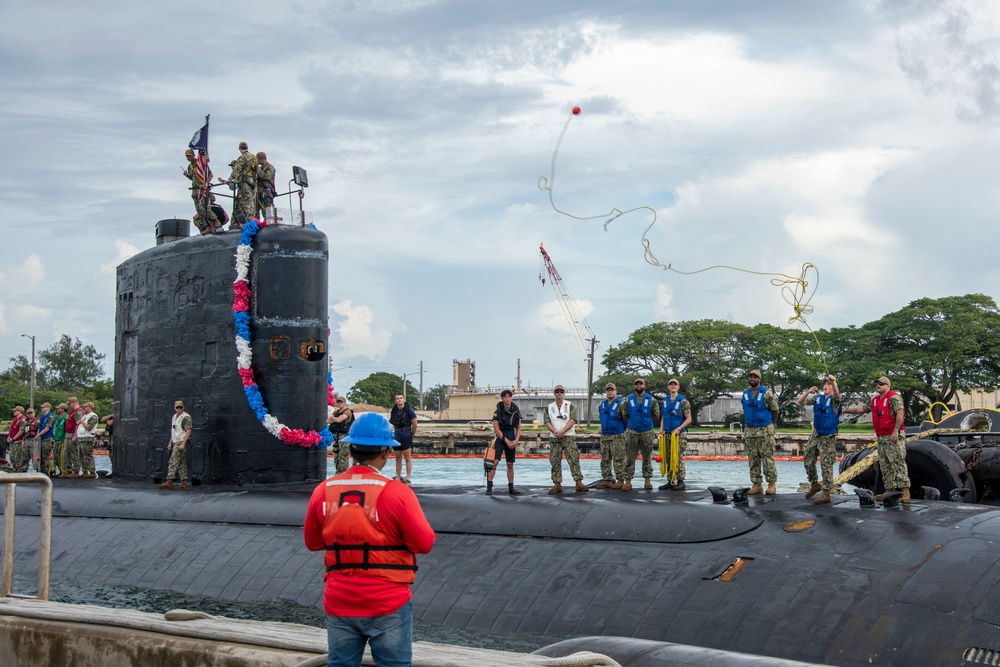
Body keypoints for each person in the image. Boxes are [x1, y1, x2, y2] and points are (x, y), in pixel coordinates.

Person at [302, 412, 436, 667]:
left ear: (350, 450)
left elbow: (313, 542)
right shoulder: (398, 493)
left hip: (339, 599)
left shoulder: (323, 490)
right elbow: (424, 543)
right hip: (387, 601)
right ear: (386, 453)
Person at [843, 375, 910, 503]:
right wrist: (846, 410)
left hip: (893, 435)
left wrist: (896, 431)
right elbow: (862, 409)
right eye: (877, 384)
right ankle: (889, 489)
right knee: (884, 464)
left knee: (898, 462)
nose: (878, 385)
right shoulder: (874, 400)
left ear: (888, 386)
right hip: (881, 437)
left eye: (881, 384)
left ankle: (905, 491)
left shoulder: (894, 397)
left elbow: (900, 414)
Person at [796, 374, 841, 504]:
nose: (826, 386)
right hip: (816, 434)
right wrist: (808, 392)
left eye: (828, 384)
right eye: (825, 384)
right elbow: (800, 402)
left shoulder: (834, 399)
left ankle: (826, 492)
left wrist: (834, 382)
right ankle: (814, 483)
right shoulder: (818, 398)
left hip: (828, 435)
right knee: (808, 458)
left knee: (826, 463)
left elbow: (837, 395)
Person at [618, 377, 661, 491]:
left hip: (647, 431)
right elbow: (624, 415)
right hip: (632, 431)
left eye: (641, 384)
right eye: (637, 384)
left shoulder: (651, 400)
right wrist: (631, 425)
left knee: (647, 457)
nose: (639, 386)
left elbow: (656, 415)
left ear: (644, 386)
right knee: (630, 458)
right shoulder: (628, 400)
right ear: (634, 386)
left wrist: (647, 424)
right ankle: (628, 481)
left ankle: (647, 481)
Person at [742, 369, 780, 495]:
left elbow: (775, 410)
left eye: (755, 377)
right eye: (750, 377)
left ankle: (771, 483)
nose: (752, 379)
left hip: (764, 430)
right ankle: (756, 484)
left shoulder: (766, 393)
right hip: (750, 431)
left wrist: (770, 424)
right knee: (753, 459)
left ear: (759, 379)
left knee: (767, 457)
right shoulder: (745, 394)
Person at [544, 385, 588, 494]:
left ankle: (578, 482)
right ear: (554, 393)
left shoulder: (570, 405)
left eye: (561, 391)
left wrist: (562, 431)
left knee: (573, 459)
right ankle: (557, 483)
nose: (559, 393)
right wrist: (555, 431)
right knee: (555, 461)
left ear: (564, 393)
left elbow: (573, 419)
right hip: (554, 437)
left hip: (568, 436)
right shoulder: (549, 407)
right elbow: (547, 421)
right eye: (557, 391)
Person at [486, 389, 522, 495]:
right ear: (502, 398)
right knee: (495, 462)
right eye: (505, 397)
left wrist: (516, 440)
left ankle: (511, 487)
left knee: (510, 464)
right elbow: (497, 429)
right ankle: (489, 485)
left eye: (509, 397)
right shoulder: (498, 412)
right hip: (501, 438)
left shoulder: (515, 410)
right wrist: (506, 441)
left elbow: (519, 427)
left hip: (511, 436)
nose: (507, 399)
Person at [659, 378, 691, 491]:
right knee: (668, 458)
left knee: (677, 457)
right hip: (667, 434)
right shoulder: (664, 401)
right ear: (668, 387)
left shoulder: (683, 401)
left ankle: (681, 480)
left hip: (678, 434)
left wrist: (679, 428)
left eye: (675, 385)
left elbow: (688, 419)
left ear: (678, 387)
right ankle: (670, 480)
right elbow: (664, 417)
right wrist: (661, 429)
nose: (673, 387)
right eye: (671, 385)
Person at [219, 142, 257, 226]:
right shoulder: (253, 157)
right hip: (252, 183)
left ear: (240, 149)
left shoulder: (242, 157)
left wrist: (229, 180)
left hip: (245, 184)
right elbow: (256, 171)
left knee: (247, 205)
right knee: (251, 204)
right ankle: (252, 221)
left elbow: (237, 171)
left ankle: (250, 224)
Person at [183, 148, 220, 234]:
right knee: (199, 210)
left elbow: (210, 174)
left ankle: (215, 220)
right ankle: (208, 226)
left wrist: (206, 184)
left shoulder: (201, 164)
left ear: (193, 155)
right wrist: (187, 175)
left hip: (202, 189)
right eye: (187, 156)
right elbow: (193, 178)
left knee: (205, 208)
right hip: (195, 190)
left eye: (190, 156)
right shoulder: (190, 166)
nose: (188, 158)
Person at [596, 382, 626, 489]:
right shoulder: (603, 405)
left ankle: (620, 479)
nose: (610, 392)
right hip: (605, 435)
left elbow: (625, 418)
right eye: (608, 390)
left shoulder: (621, 404)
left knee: (619, 458)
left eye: (612, 390)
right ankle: (607, 479)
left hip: (617, 435)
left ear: (616, 391)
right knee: (605, 458)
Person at [158, 400, 192, 490]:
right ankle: (184, 482)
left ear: (183, 407)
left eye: (180, 407)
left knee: (173, 460)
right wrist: (170, 442)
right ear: (174, 408)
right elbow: (174, 430)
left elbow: (188, 431)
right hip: (176, 441)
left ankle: (169, 481)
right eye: (177, 407)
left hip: (181, 442)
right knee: (181, 462)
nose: (179, 409)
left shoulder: (186, 417)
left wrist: (183, 444)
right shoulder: (174, 417)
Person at [389, 393, 418, 484]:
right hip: (397, 436)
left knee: (407, 457)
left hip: (406, 435)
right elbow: (394, 423)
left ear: (404, 399)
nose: (399, 400)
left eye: (401, 398)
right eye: (397, 398)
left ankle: (408, 477)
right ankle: (398, 476)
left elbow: (415, 423)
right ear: (395, 400)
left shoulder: (409, 410)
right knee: (397, 458)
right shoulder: (394, 411)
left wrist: (411, 434)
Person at [327, 397, 355, 474]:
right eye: (339, 402)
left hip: (344, 436)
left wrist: (333, 418)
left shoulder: (347, 412)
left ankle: (344, 472)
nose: (340, 403)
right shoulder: (336, 412)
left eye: (341, 402)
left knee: (343, 454)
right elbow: (328, 420)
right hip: (336, 434)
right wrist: (334, 418)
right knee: (336, 454)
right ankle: (338, 471)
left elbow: (339, 420)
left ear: (344, 403)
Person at [76, 402, 100, 478]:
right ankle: (84, 471)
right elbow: (77, 423)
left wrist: (82, 421)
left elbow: (89, 427)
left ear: (90, 407)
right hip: (81, 437)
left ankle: (92, 472)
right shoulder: (84, 416)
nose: (84, 408)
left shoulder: (93, 416)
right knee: (81, 456)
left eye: (86, 406)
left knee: (87, 455)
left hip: (88, 437)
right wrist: (80, 421)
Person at [63, 397, 84, 478]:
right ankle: (68, 470)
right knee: (66, 453)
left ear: (74, 402)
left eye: (70, 403)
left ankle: (76, 470)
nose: (69, 405)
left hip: (73, 434)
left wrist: (75, 435)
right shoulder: (72, 411)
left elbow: (78, 424)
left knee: (74, 453)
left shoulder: (78, 411)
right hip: (68, 434)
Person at [36, 402, 56, 476]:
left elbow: (47, 428)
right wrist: (38, 435)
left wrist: (38, 435)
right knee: (41, 455)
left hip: (47, 438)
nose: (42, 408)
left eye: (43, 407)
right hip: (41, 438)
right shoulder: (42, 416)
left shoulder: (50, 416)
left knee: (46, 455)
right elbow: (40, 427)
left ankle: (48, 470)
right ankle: (42, 469)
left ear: (48, 408)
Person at [255, 151, 276, 220]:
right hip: (258, 193)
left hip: (266, 193)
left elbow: (267, 177)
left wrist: (259, 170)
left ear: (262, 159)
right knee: (255, 211)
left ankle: (268, 224)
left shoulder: (270, 168)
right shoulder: (261, 168)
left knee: (267, 212)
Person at [7, 406, 27, 471]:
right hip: (12, 441)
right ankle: (15, 469)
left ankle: (19, 470)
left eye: (15, 411)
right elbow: (12, 429)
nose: (14, 412)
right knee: (12, 457)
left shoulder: (22, 419)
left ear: (20, 411)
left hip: (18, 441)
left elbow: (21, 431)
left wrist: (13, 439)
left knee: (18, 458)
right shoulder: (15, 419)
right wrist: (9, 437)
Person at [52, 403, 68, 476]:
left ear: (63, 409)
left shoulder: (66, 417)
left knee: (62, 456)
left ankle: (64, 470)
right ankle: (59, 470)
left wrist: (65, 440)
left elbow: (66, 429)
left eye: (59, 408)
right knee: (56, 456)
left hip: (62, 439)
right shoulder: (58, 417)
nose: (57, 409)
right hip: (56, 439)